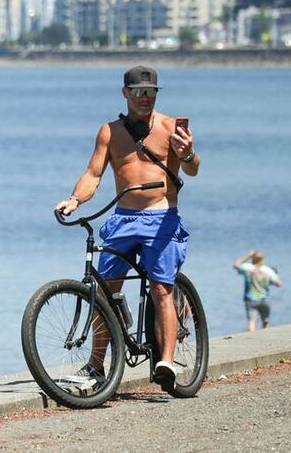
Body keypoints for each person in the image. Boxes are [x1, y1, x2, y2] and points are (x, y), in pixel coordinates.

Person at [53, 65, 200, 392]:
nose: (145, 98)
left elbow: (193, 169)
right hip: (122, 218)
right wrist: (75, 200)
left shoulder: (170, 127)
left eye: (150, 92)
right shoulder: (110, 131)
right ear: (126, 93)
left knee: (162, 288)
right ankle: (96, 366)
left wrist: (188, 153)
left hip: (160, 218)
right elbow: (93, 174)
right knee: (103, 291)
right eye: (138, 92)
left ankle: (166, 361)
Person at [233, 250, 282, 331]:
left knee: (252, 320)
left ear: (252, 259)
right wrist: (269, 281)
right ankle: (267, 337)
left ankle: (251, 338)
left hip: (251, 300)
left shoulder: (247, 268)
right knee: (266, 320)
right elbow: (279, 284)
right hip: (265, 299)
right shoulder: (268, 271)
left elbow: (235, 264)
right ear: (263, 259)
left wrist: (248, 255)